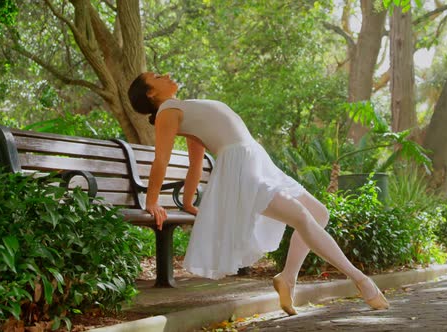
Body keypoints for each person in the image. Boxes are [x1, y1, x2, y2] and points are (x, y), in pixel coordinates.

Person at [128, 72, 389, 315]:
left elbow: (196, 163)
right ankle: (360, 280)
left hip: (257, 160)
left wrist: (188, 203)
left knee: (319, 213)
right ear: (150, 93)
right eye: (156, 76)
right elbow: (161, 159)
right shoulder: (166, 112)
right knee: (301, 216)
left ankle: (287, 278)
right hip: (241, 168)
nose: (165, 75)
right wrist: (152, 201)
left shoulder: (182, 107)